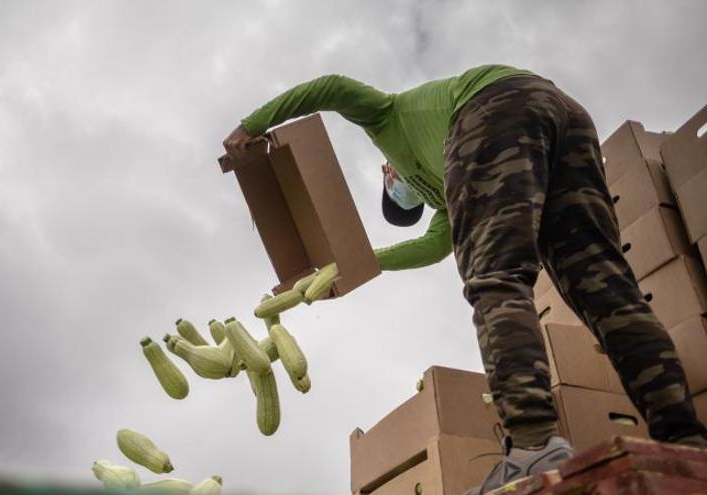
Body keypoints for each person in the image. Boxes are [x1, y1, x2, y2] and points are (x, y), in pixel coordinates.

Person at [223, 65, 707, 494]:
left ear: (386, 172)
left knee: (495, 277)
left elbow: (333, 86)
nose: (398, 188)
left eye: (392, 186)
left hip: (489, 106)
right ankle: (684, 437)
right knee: (604, 288)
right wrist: (353, 266)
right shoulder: (440, 200)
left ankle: (534, 442)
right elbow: (434, 246)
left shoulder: (385, 118)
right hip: (564, 119)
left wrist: (255, 123)